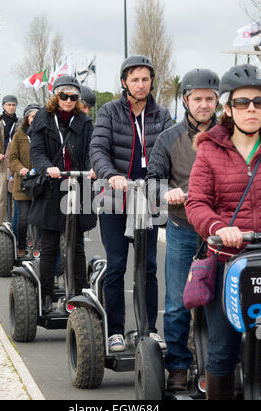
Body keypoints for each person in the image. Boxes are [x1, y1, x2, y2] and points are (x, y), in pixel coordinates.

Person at [185, 63, 261, 400]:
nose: (251, 109)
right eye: (243, 102)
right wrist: (220, 227)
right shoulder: (209, 150)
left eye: (259, 103)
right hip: (227, 261)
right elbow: (196, 203)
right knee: (223, 351)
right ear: (229, 108)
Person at [90, 55, 173, 352]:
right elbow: (97, 149)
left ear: (152, 82)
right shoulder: (109, 112)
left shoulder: (162, 114)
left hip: (148, 200)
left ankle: (149, 329)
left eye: (146, 79)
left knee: (148, 266)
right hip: (115, 199)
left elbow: (170, 150)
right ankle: (114, 330)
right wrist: (110, 174)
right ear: (124, 82)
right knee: (117, 265)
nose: (141, 84)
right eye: (135, 79)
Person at [146, 69, 220, 390]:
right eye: (198, 98)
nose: (204, 104)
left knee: (223, 299)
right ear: (186, 100)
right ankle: (177, 364)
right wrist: (166, 192)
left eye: (210, 98)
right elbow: (152, 180)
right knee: (178, 301)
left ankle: (222, 364)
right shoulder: (168, 138)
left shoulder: (230, 136)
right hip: (183, 225)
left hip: (220, 231)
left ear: (218, 100)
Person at [28, 75, 94, 315]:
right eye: (64, 95)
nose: (68, 100)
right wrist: (47, 167)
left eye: (73, 96)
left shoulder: (84, 121)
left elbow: (91, 149)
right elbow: (36, 151)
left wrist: (92, 169)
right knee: (50, 245)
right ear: (55, 96)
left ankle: (79, 293)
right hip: (52, 186)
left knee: (76, 244)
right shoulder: (43, 119)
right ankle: (46, 295)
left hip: (77, 184)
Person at [9, 103, 40, 258]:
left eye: (37, 116)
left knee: (41, 219)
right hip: (22, 184)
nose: (35, 119)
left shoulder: (45, 134)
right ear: (27, 118)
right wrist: (21, 169)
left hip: (40, 183)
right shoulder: (19, 135)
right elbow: (12, 158)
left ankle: (40, 248)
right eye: (32, 116)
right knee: (23, 218)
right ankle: (21, 247)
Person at [0, 95, 18, 228]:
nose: (11, 107)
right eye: (8, 105)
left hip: (15, 164)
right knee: (1, 197)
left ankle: (14, 224)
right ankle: (0, 225)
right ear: (3, 106)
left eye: (13, 105)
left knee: (15, 195)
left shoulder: (20, 122)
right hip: (0, 164)